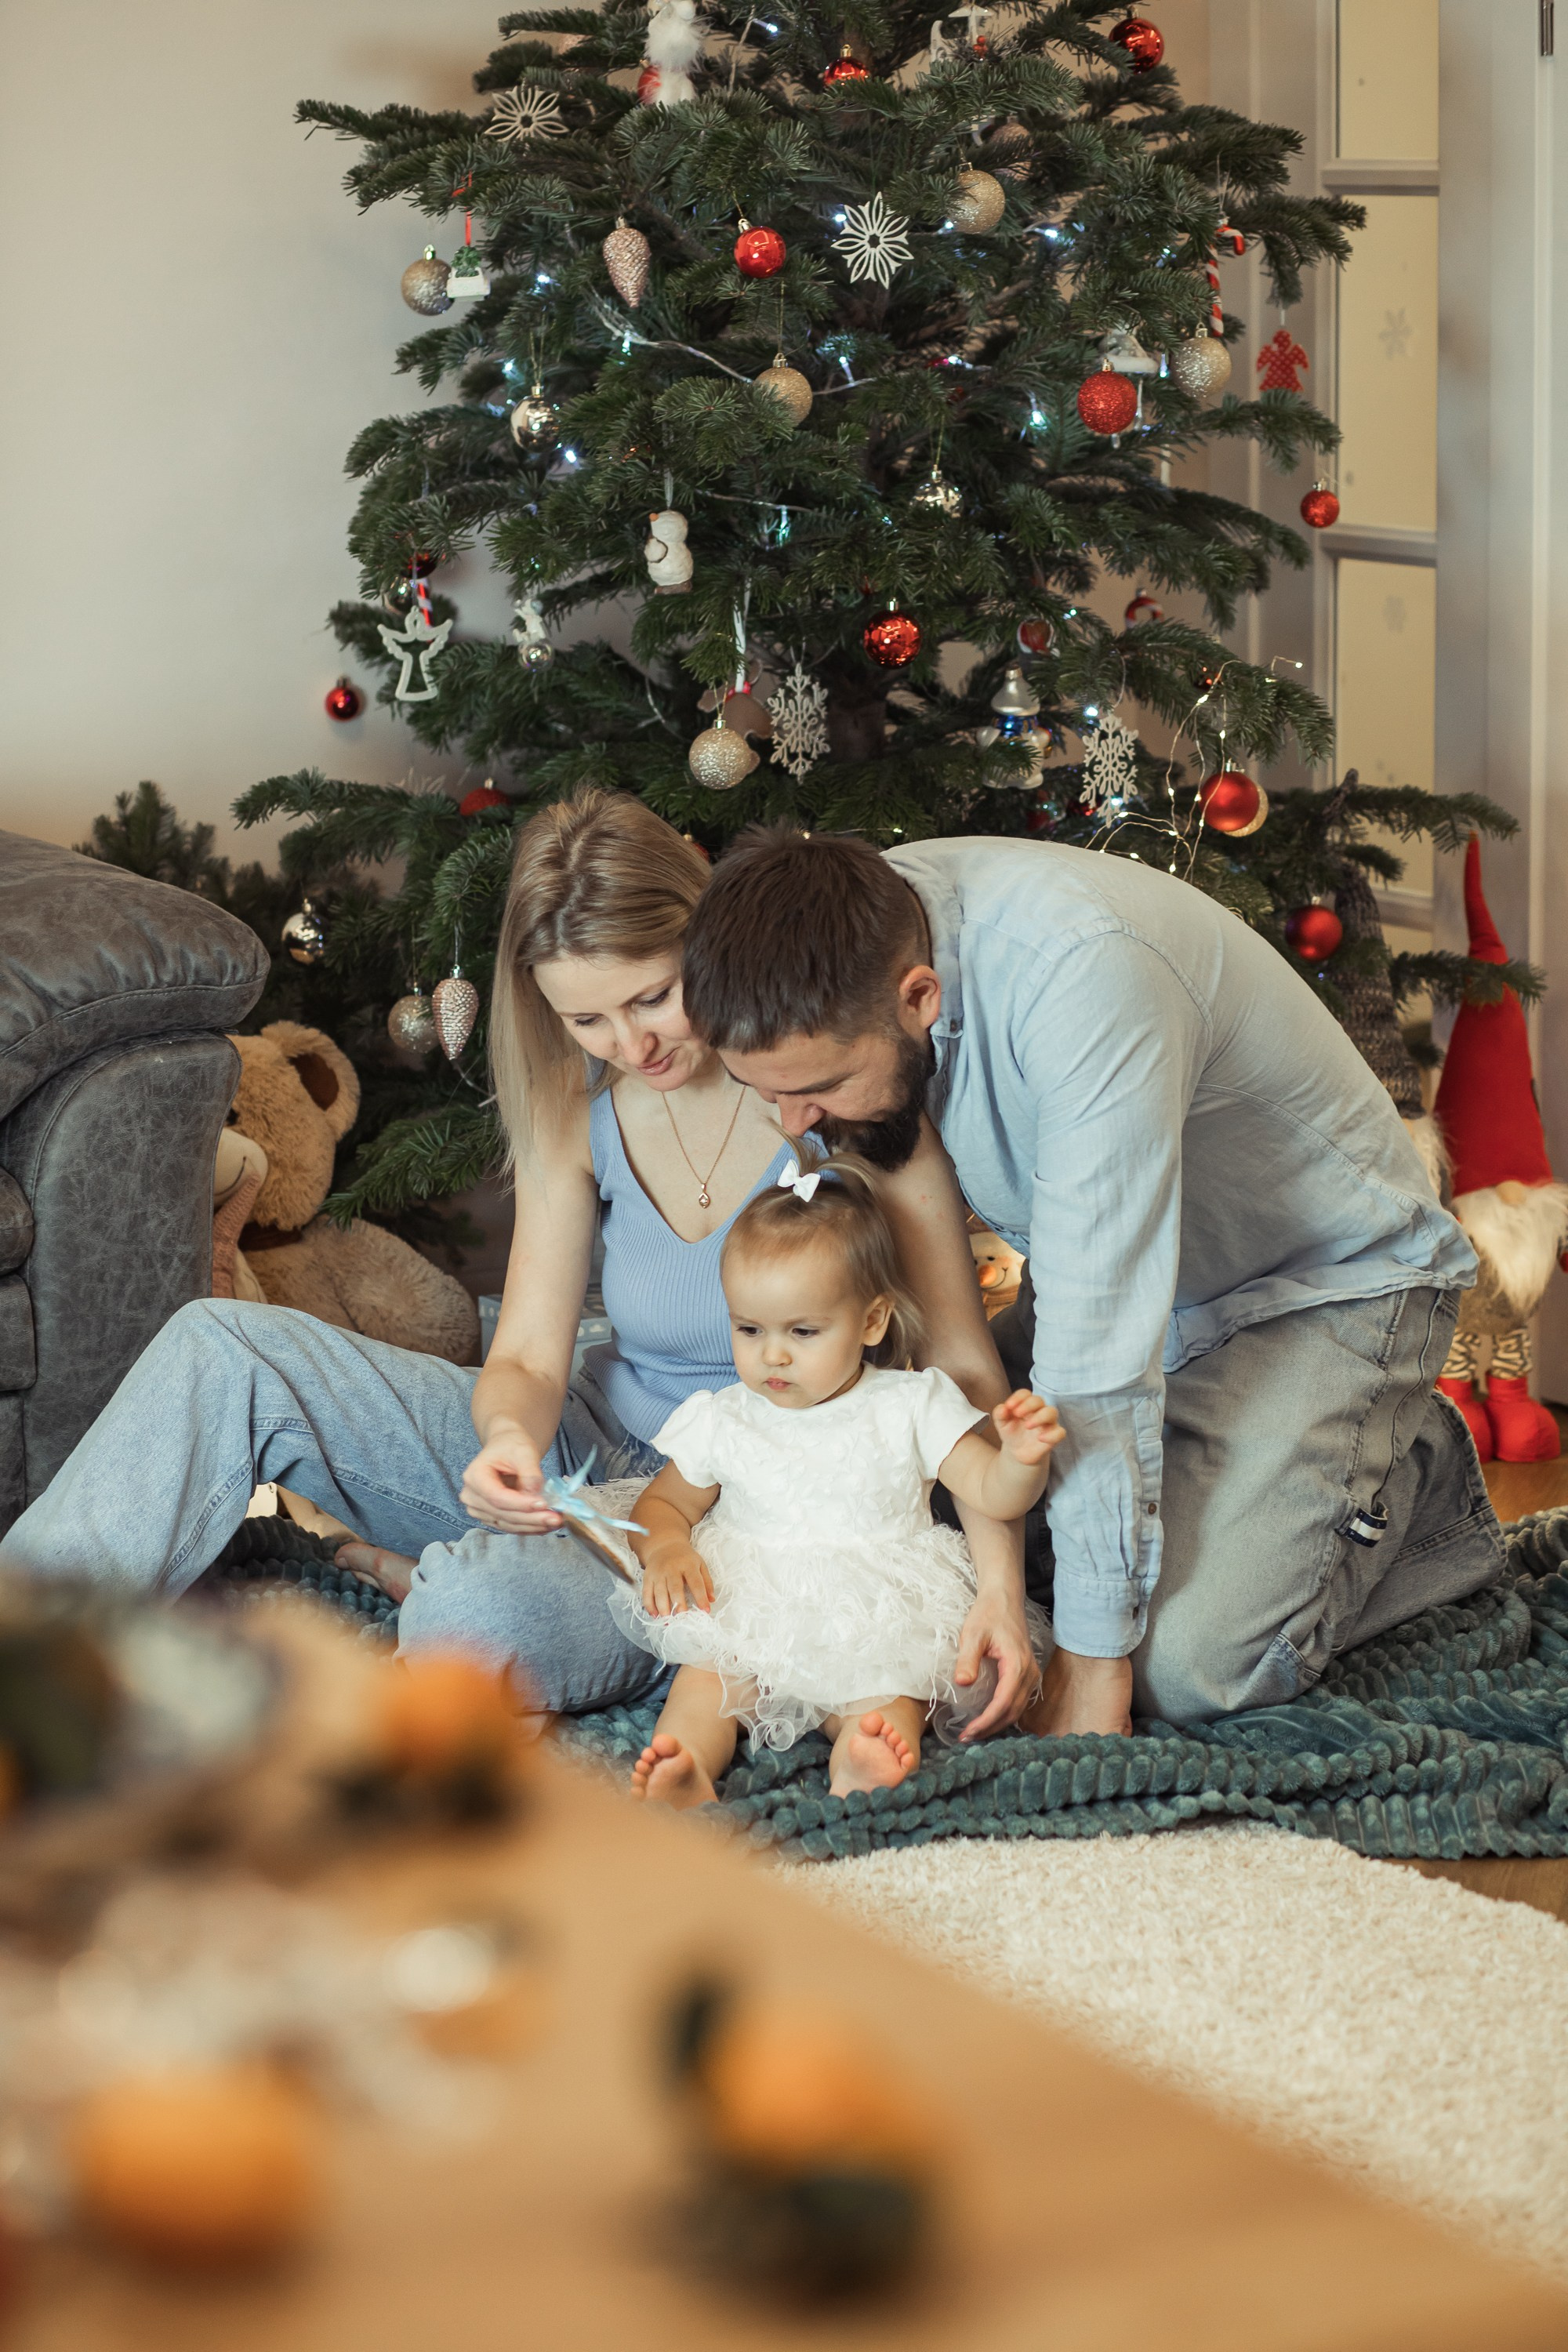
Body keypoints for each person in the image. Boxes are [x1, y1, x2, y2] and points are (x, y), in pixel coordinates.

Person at [0, 793, 1037, 1733]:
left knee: (474, 1620)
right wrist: (506, 1444)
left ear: (708, 946)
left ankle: (458, 1580)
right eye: (586, 1018)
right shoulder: (578, 1116)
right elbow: (535, 1356)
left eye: (653, 999)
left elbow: (963, 1364)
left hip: (747, 1523)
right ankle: (22, 1640)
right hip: (596, 1458)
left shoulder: (835, 1090)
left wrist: (996, 1584)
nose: (629, 1044)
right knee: (220, 1346)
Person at [678, 826, 1505, 1735]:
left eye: (821, 1089)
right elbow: (957, 1336)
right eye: (766, 1093)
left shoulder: (1085, 979)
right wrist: (997, 1578)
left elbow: (1097, 1358)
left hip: (1317, 1292)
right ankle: (1257, 1476)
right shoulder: (856, 940)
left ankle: (1410, 1480)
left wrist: (1091, 1662)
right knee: (903, 1531)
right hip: (1117, 1283)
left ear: (919, 998)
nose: (796, 1126)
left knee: (1184, 1669)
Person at [619, 1154, 1061, 1807]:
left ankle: (865, 1755)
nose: (773, 1354)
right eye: (749, 1329)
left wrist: (1020, 1458)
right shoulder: (724, 1418)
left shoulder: (911, 1403)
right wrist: (666, 1547)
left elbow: (992, 1492)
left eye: (802, 1331)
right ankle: (685, 1765)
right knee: (708, 1681)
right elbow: (663, 1503)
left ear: (872, 1321)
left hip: (876, 1605)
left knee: (888, 1688)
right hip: (753, 1598)